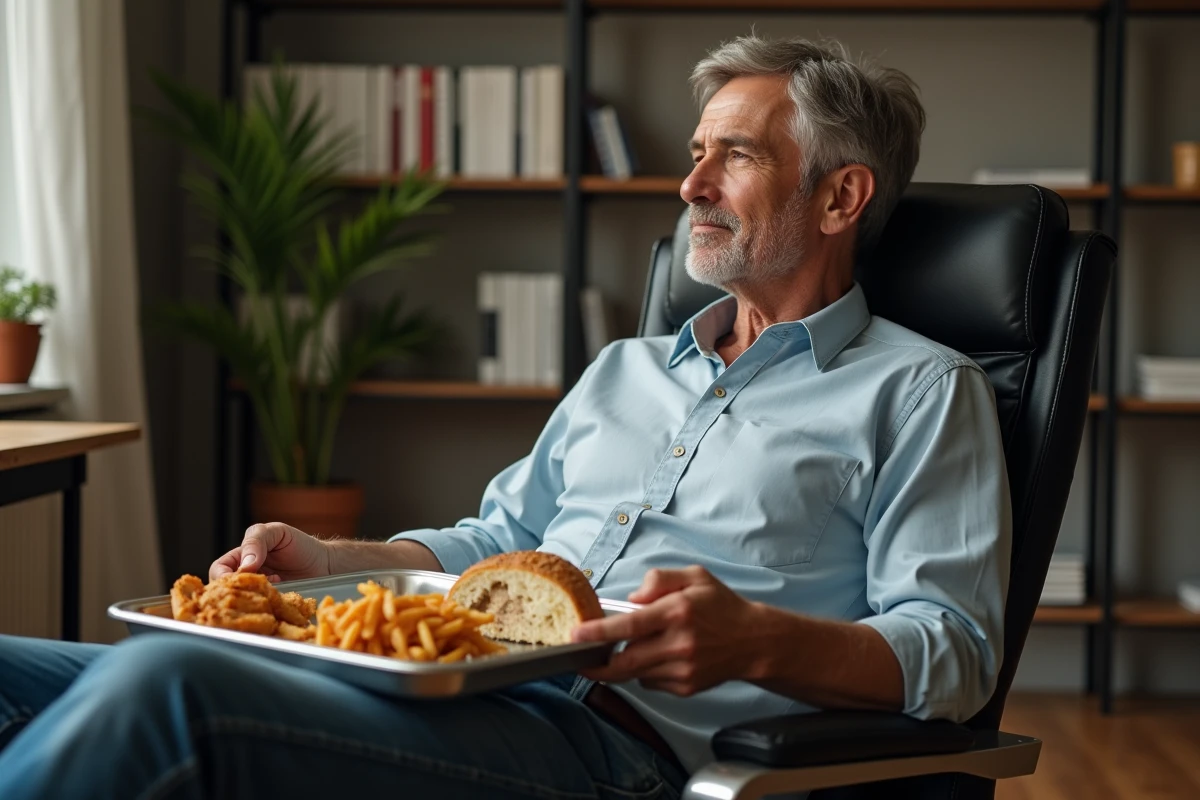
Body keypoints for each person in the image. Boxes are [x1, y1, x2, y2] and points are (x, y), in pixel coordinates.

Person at [0, 35, 1010, 799]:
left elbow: (955, 649)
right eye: (697, 153)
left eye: (733, 157)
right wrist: (327, 555)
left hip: (612, 748)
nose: (689, 184)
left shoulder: (920, 391)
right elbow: (498, 543)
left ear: (842, 198)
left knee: (166, 690)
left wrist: (755, 641)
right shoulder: (627, 369)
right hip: (438, 683)